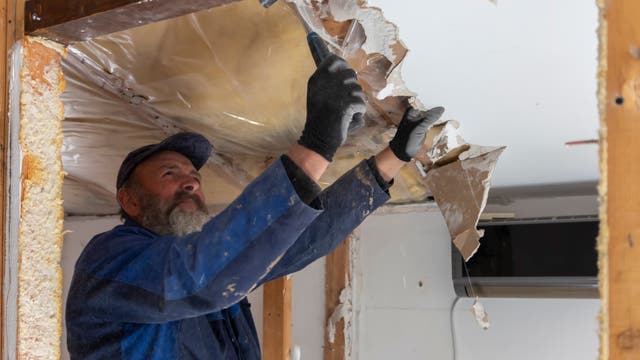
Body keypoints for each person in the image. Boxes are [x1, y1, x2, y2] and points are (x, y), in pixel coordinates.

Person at [66, 54, 443, 359]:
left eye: (194, 174)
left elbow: (298, 240)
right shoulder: (108, 261)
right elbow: (194, 276)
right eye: (170, 172)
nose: (192, 180)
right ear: (129, 200)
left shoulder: (214, 267)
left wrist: (393, 157)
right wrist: (317, 142)